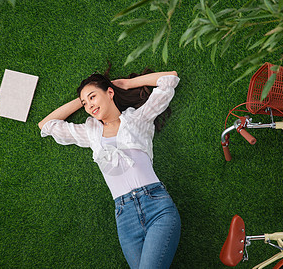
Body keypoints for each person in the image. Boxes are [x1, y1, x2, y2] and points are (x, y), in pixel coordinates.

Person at [38, 69, 181, 268]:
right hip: (125, 217)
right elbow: (46, 125)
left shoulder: (138, 119)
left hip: (156, 207)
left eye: (92, 97)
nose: (89, 106)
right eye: (85, 104)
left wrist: (126, 84)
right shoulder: (90, 132)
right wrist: (80, 100)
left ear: (110, 93)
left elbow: (169, 79)